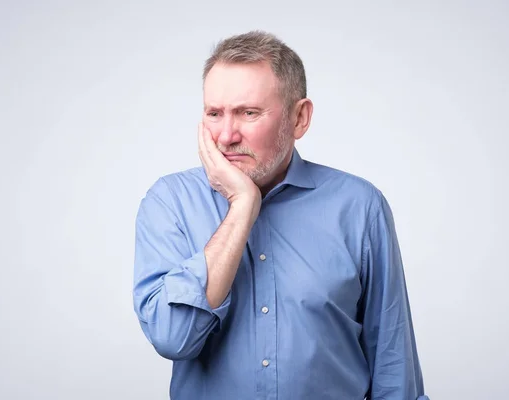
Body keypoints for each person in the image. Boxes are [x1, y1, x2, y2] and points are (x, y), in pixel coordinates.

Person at [132, 30, 429, 400]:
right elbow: (174, 338)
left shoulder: (360, 207)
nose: (225, 136)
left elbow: (393, 367)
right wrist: (242, 207)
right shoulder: (169, 203)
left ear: (299, 118)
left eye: (248, 113)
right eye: (214, 114)